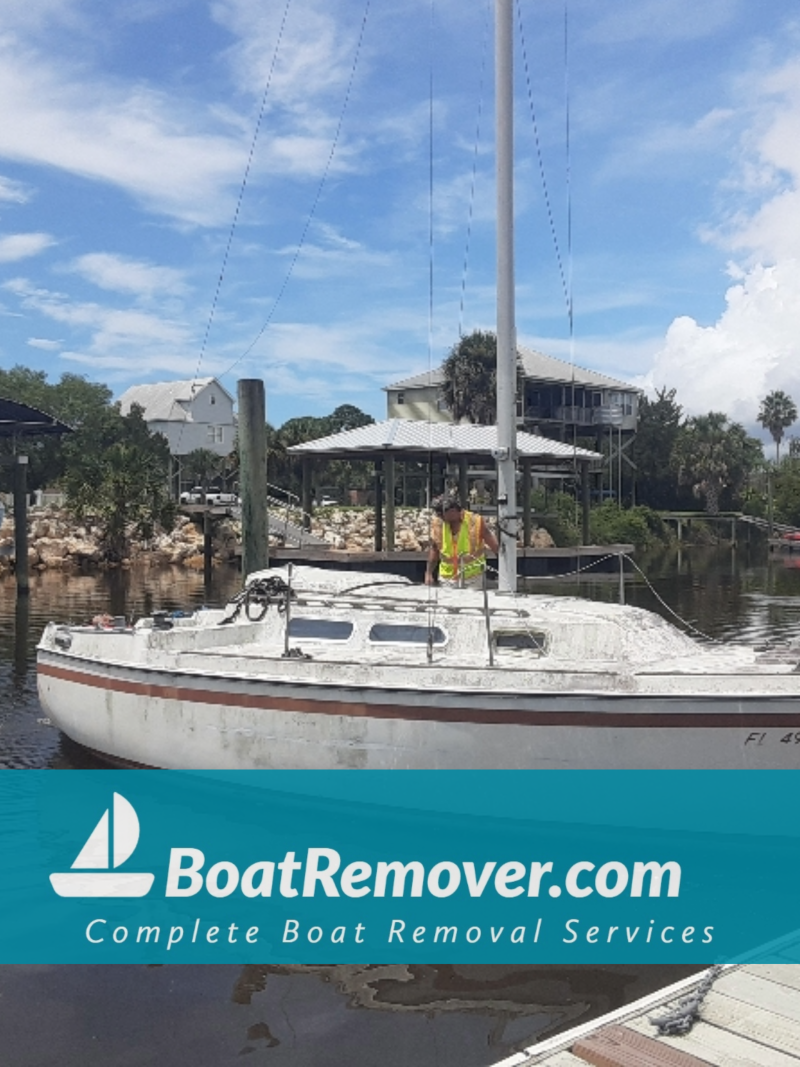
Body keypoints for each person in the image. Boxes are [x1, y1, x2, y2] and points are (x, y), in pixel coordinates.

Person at [425, 491, 499, 587]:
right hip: (447, 578)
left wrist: (505, 571)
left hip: (473, 577)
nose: (439, 516)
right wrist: (428, 573)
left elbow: (495, 547)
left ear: (453, 511)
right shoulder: (438, 523)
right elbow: (434, 549)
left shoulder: (475, 522)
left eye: (441, 513)